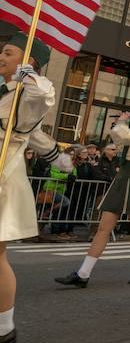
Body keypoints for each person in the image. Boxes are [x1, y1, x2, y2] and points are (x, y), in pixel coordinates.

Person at [55, 94, 130, 288]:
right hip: (125, 174)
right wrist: (120, 126)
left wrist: (121, 125)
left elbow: (128, 138)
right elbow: (120, 144)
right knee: (104, 226)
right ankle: (83, 273)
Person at [0, 33, 64, 343]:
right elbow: (36, 137)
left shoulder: (28, 93)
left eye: (9, 53)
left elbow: (43, 99)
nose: (2, 56)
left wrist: (32, 78)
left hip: (2, 177)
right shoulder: (5, 90)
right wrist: (56, 155)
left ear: (28, 61)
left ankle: (5, 328)